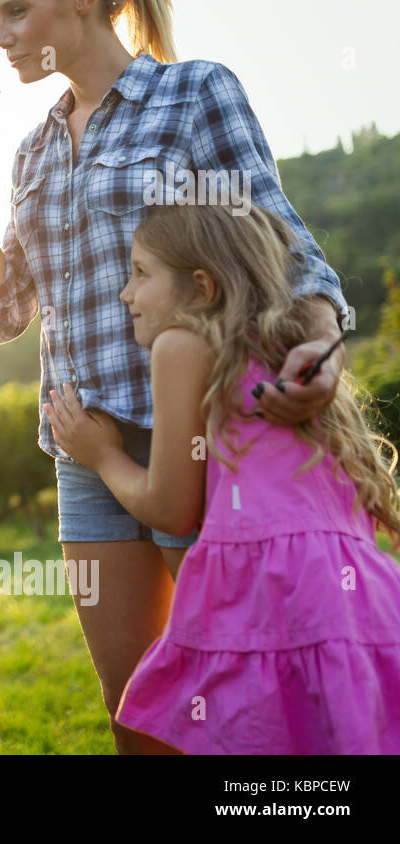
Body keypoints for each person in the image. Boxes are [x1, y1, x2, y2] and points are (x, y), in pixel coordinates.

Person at [0, 0, 350, 753]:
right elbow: (7, 311)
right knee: (139, 717)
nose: (0, 36)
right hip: (86, 450)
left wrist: (325, 337)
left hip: (200, 433)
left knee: (245, 703)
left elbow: (280, 240)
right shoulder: (34, 151)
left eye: (16, 11)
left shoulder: (195, 94)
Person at [45, 202, 400, 753]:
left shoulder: (179, 345)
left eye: (140, 274)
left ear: (201, 288)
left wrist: (102, 455)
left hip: (270, 596)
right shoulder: (285, 347)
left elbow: (170, 508)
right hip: (358, 597)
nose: (126, 294)